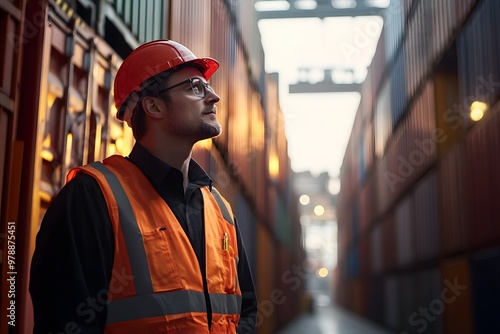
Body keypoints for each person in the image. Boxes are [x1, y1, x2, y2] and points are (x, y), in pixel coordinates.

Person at [30, 39, 258, 334]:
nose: (214, 97)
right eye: (195, 87)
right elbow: (64, 322)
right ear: (153, 105)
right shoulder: (93, 197)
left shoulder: (220, 210)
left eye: (208, 87)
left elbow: (247, 310)